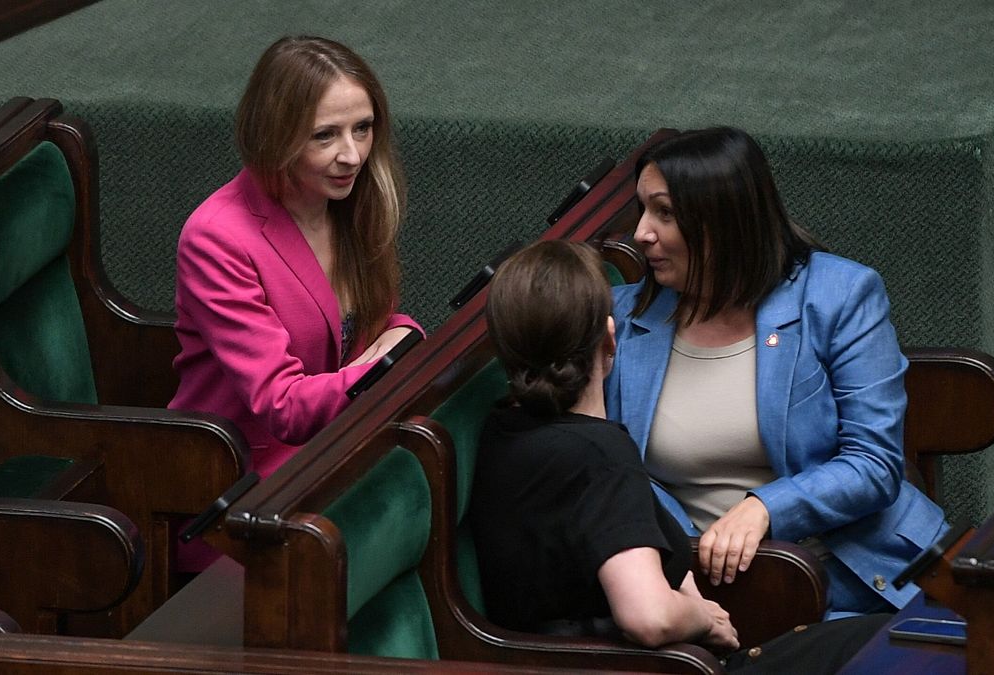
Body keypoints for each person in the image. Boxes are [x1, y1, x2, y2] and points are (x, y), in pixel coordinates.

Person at [469, 240, 887, 672]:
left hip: (542, 660)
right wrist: (703, 618)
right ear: (611, 340)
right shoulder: (602, 454)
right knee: (888, 638)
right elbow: (648, 617)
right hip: (643, 666)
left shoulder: (500, 432)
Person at [604, 127, 950, 617]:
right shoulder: (620, 322)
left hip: (861, 580)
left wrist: (764, 506)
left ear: (723, 219)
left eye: (665, 212)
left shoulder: (839, 295)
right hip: (723, 599)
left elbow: (874, 464)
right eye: (642, 210)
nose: (641, 233)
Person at [170, 36, 422, 478]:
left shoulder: (354, 201)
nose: (352, 155)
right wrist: (384, 366)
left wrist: (404, 334)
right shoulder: (216, 238)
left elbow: (377, 328)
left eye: (362, 128)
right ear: (275, 135)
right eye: (324, 136)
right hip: (242, 482)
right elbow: (283, 405)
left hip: (341, 446)